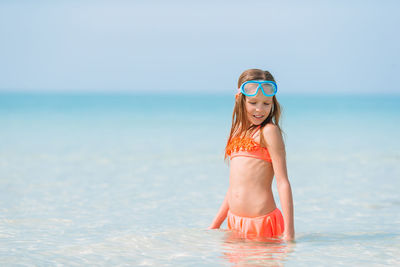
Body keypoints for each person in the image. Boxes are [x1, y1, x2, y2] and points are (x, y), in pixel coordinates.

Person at [208, 69, 295, 242]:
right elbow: (234, 188)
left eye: (266, 104)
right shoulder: (238, 133)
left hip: (261, 223)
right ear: (240, 100)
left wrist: (289, 234)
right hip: (234, 224)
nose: (259, 109)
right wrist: (215, 224)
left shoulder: (269, 131)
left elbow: (283, 182)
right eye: (253, 102)